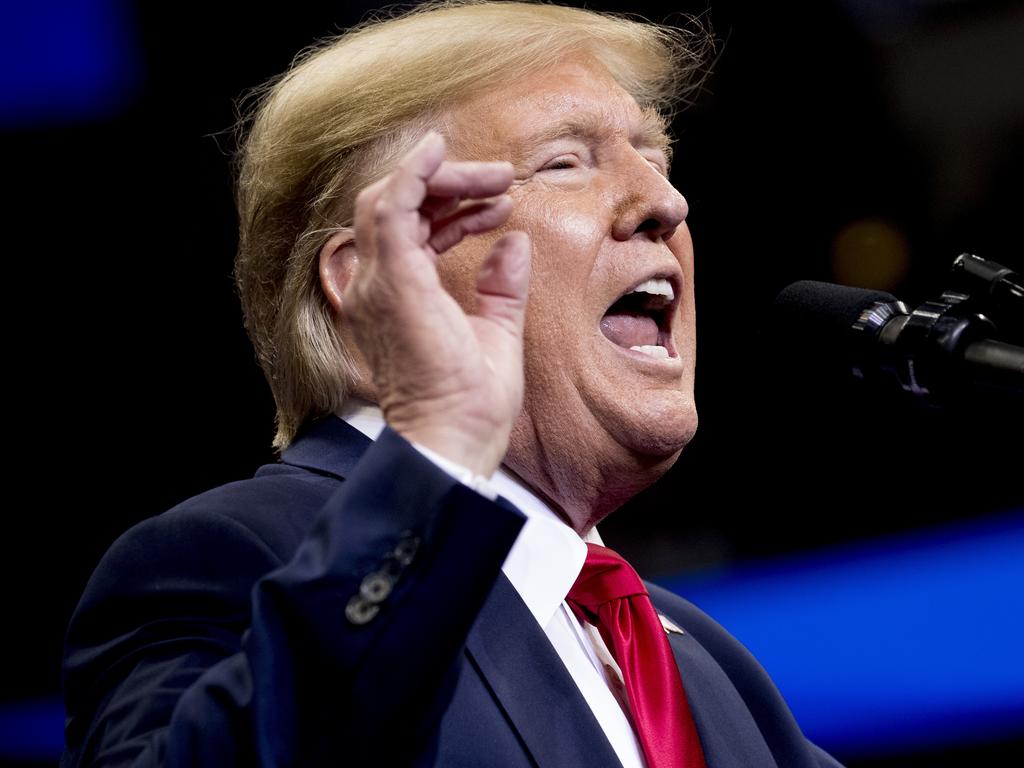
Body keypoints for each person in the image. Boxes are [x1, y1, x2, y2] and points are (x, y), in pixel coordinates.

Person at [61, 2, 844, 766]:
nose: (665, 203)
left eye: (657, 159)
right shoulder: (228, 557)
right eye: (565, 162)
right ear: (379, 282)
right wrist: (435, 451)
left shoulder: (704, 665)